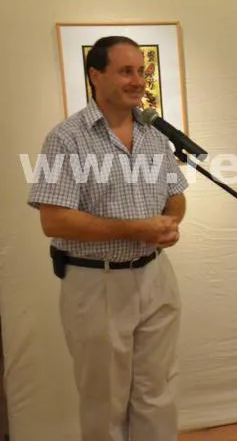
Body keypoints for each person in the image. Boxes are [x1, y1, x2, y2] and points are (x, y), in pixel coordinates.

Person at [27, 36, 188, 441]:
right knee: (106, 401)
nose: (138, 80)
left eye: (141, 71)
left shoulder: (153, 134)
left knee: (158, 392)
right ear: (95, 75)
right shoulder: (66, 139)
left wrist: (170, 222)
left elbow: (175, 194)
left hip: (156, 276)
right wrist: (135, 229)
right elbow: (54, 220)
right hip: (97, 282)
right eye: (126, 71)